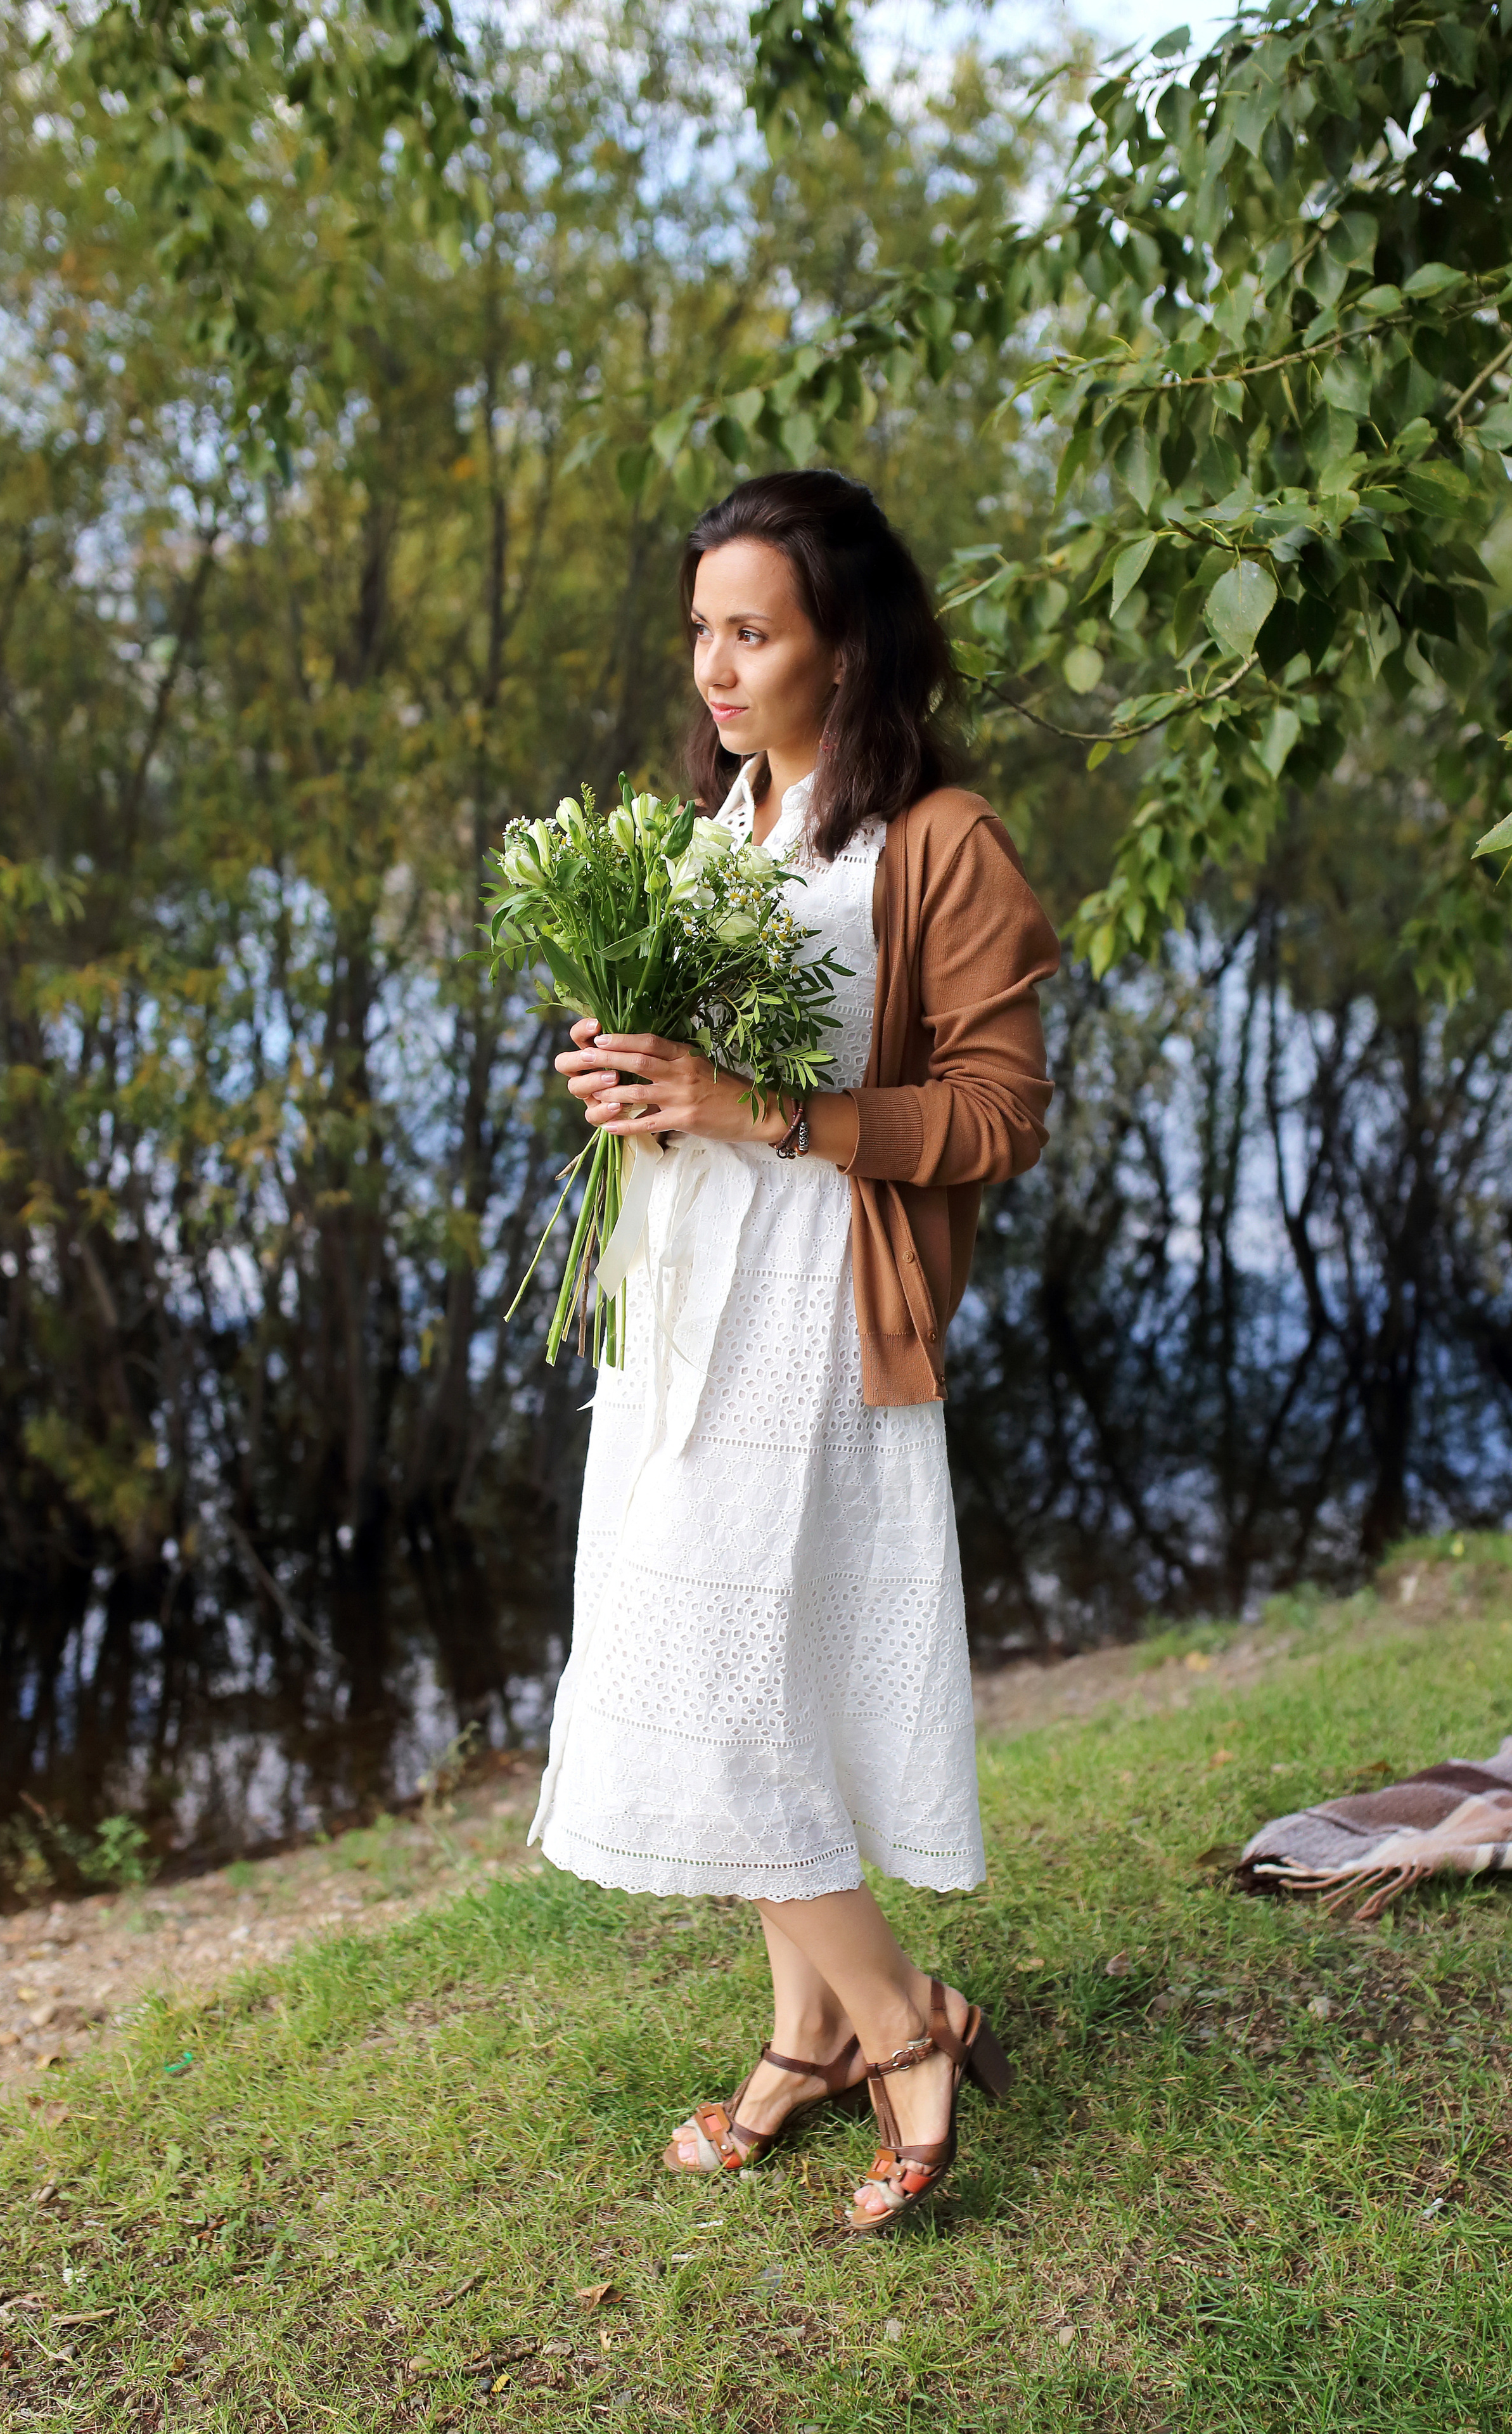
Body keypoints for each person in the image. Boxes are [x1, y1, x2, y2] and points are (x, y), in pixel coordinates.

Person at [527, 468, 1058, 2231]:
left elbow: (995, 1117)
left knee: (742, 1691)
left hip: (821, 1314)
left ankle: (905, 2023)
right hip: (680, 1302)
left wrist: (762, 1105)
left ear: (852, 640)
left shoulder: (941, 841)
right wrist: (632, 1085)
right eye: (702, 630)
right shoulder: (713, 834)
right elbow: (690, 1091)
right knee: (698, 1660)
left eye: (753, 630)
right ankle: (807, 2034)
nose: (716, 665)